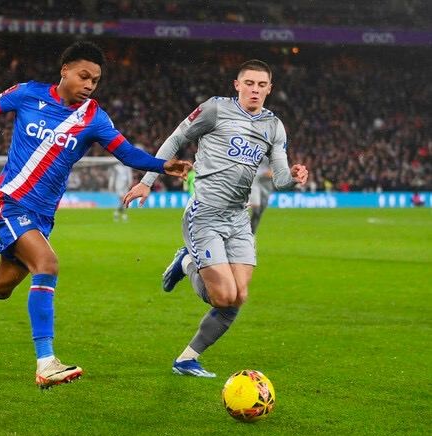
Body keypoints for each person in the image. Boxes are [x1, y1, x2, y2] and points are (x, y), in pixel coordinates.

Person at [0, 41, 191, 388]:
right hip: (10, 202)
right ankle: (46, 363)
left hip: (42, 217)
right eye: (83, 76)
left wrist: (162, 165)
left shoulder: (94, 118)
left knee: (1, 287)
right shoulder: (28, 94)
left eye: (95, 80)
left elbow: (127, 153)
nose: (89, 85)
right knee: (47, 264)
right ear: (64, 70)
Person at [123, 59, 308, 378]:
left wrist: (293, 177)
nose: (255, 90)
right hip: (205, 214)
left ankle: (186, 360)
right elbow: (176, 139)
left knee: (238, 297)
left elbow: (279, 178)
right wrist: (147, 180)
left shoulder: (274, 126)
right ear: (237, 85)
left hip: (239, 219)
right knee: (222, 296)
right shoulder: (215, 109)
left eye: (261, 85)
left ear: (269, 89)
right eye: (249, 83)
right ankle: (186, 263)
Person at [248, 157, 274, 233]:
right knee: (256, 209)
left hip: (267, 183)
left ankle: (252, 232)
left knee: (260, 211)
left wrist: (273, 173)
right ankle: (249, 232)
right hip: (256, 180)